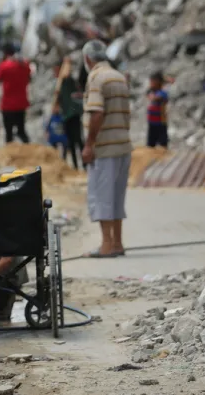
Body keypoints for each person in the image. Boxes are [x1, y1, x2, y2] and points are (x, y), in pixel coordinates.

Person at [80, 40, 132, 259]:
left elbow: (96, 112)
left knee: (101, 196)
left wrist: (89, 145)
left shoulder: (95, 77)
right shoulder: (118, 76)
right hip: (123, 145)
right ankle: (118, 242)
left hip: (105, 148)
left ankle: (106, 245)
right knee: (117, 195)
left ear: (88, 59)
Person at [0, 43, 31, 144]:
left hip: (8, 105)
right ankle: (28, 150)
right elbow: (29, 75)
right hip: (21, 103)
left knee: (9, 133)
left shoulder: (4, 66)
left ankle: (10, 155)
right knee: (21, 130)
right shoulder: (24, 64)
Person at [53, 57, 84, 170]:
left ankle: (84, 165)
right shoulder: (59, 84)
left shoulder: (67, 81)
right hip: (66, 115)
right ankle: (76, 166)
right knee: (71, 142)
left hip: (73, 115)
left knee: (78, 141)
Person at [146, 71, 169, 148]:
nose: (151, 83)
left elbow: (156, 98)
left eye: (153, 81)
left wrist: (151, 93)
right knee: (150, 145)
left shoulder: (162, 93)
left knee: (163, 145)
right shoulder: (152, 92)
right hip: (152, 123)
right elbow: (149, 95)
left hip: (160, 123)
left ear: (158, 81)